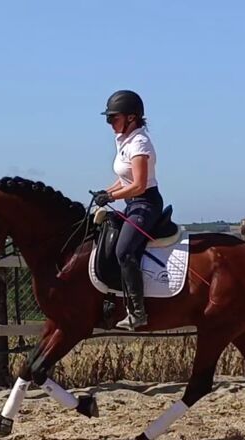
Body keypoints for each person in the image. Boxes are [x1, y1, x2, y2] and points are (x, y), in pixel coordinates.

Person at [92, 90, 164, 330]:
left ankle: (137, 311)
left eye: (113, 118)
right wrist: (105, 191)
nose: (110, 123)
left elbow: (138, 185)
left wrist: (111, 196)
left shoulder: (140, 143)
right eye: (108, 119)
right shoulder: (124, 140)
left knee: (124, 250)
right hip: (133, 202)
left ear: (131, 118)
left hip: (146, 203)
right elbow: (124, 180)